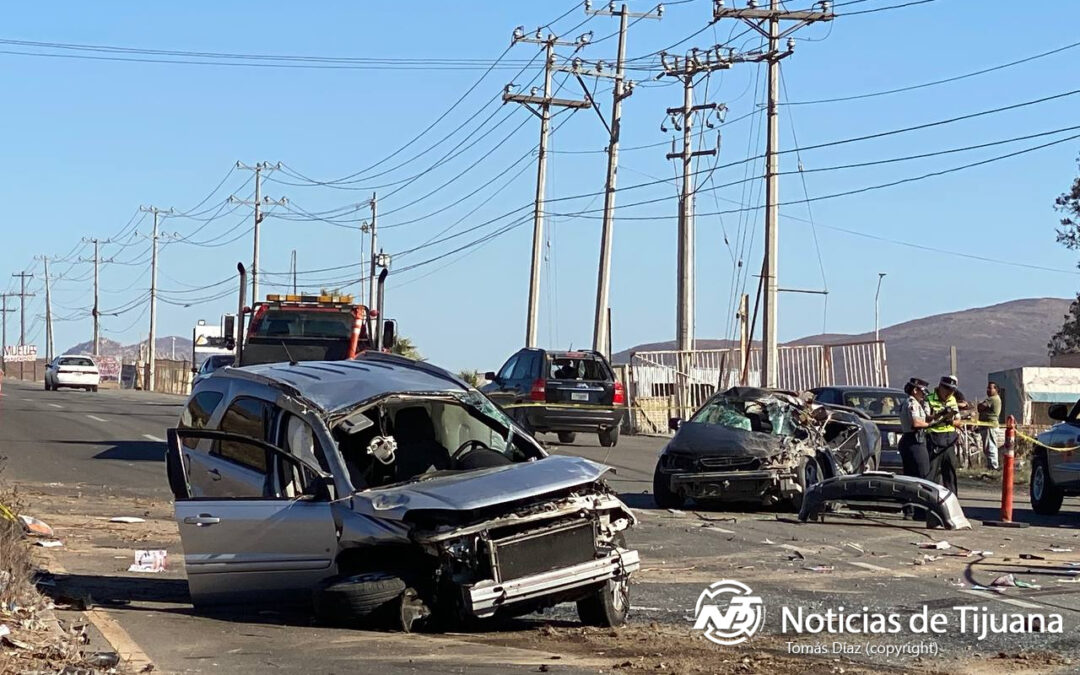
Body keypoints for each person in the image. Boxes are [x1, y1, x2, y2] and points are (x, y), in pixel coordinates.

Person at [926, 375, 961, 494]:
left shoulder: (952, 400)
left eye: (952, 391)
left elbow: (958, 421)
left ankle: (952, 499)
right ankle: (930, 499)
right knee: (932, 473)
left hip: (949, 439)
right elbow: (926, 420)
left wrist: (951, 420)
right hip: (934, 438)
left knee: (950, 472)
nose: (949, 393)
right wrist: (939, 417)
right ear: (940, 387)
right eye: (947, 389)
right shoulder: (929, 399)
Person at [898, 377, 932, 480]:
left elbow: (926, 418)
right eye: (922, 392)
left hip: (912, 440)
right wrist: (931, 425)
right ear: (915, 390)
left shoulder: (914, 403)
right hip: (914, 440)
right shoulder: (912, 403)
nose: (924, 395)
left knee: (912, 475)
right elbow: (916, 423)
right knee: (922, 473)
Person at [977, 382, 1003, 470]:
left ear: (996, 390)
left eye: (990, 388)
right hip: (987, 426)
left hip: (990, 426)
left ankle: (993, 466)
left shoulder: (992, 399)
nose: (988, 390)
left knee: (990, 447)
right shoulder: (994, 399)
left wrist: (980, 405)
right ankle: (990, 465)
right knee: (987, 447)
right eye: (987, 388)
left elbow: (980, 407)